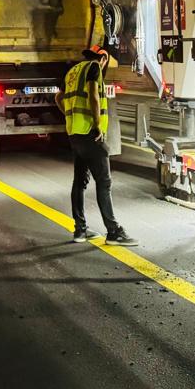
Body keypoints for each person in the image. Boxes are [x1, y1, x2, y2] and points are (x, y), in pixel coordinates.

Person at [61, 46, 137, 245]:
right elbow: (93, 95)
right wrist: (97, 125)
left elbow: (58, 98)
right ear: (102, 58)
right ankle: (113, 231)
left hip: (75, 133)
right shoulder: (94, 68)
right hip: (90, 134)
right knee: (104, 182)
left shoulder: (73, 71)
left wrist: (70, 115)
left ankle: (80, 230)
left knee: (79, 182)